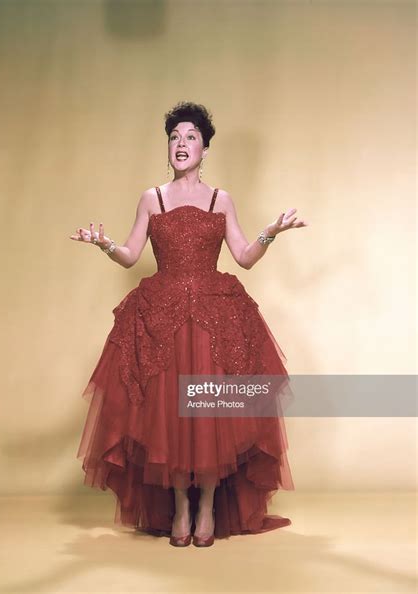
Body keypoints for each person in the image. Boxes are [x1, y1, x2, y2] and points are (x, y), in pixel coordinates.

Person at [70, 101, 308, 547]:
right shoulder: (151, 198)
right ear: (169, 148)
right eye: (175, 138)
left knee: (211, 414)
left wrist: (269, 233)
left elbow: (243, 258)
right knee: (171, 416)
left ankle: (207, 507)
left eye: (191, 137)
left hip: (215, 318)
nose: (181, 144)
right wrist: (104, 245)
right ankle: (181, 506)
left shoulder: (222, 200)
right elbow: (130, 253)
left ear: (204, 148)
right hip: (163, 318)